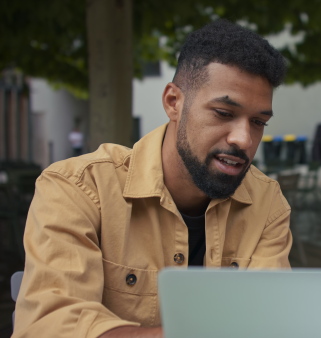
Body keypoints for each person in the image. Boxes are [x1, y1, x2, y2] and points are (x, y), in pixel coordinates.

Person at [14, 19, 291, 338]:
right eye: (224, 113)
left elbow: (268, 320)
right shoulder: (77, 186)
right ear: (174, 102)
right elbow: (47, 326)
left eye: (258, 122)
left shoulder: (267, 203)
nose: (244, 139)